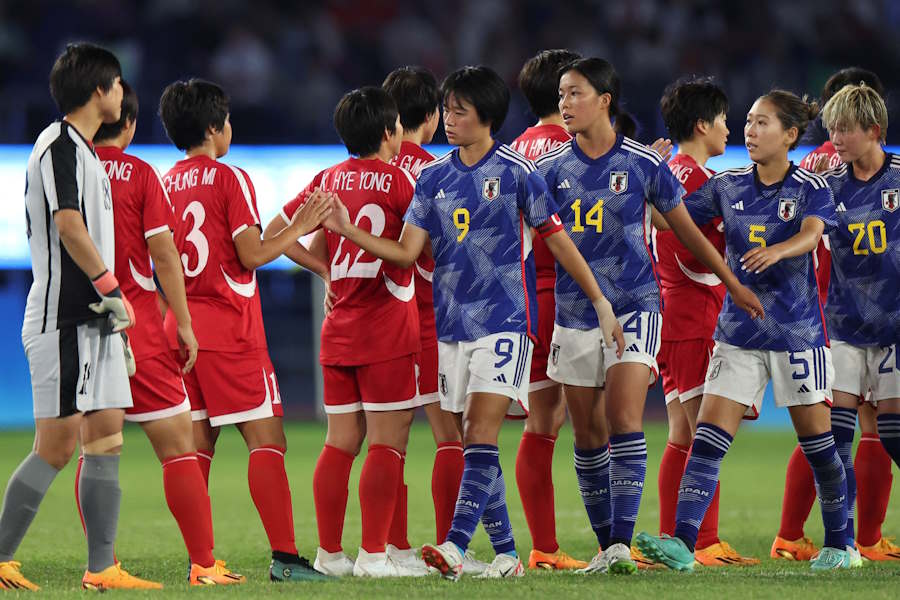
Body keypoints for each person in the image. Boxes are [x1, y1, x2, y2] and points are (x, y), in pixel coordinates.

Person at [322, 65, 625, 581]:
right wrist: (348, 231)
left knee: (482, 431)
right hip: (450, 331)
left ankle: (457, 545)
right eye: (445, 110)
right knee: (471, 438)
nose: (447, 119)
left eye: (458, 111)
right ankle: (506, 554)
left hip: (504, 324)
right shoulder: (434, 177)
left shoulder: (517, 174)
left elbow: (558, 239)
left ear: (486, 117)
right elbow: (404, 253)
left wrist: (598, 300)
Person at [537, 58, 761, 576]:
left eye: (574, 94)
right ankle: (608, 548)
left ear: (604, 100)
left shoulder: (642, 164)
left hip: (637, 306)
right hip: (574, 314)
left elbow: (687, 231)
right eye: (562, 95)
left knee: (623, 419)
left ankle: (621, 539)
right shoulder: (548, 170)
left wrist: (732, 283)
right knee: (587, 435)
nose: (565, 104)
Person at [636, 90, 852, 572]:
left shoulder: (811, 186)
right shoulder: (727, 185)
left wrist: (779, 251)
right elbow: (666, 219)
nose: (750, 131)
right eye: (748, 122)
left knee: (820, 447)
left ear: (790, 135)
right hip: (738, 334)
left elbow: (814, 232)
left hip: (797, 334)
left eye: (762, 124)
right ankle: (685, 544)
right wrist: (646, 179)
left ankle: (841, 543)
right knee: (707, 439)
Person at [158, 77, 332, 582]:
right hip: (229, 331)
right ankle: (285, 559)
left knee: (196, 447)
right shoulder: (229, 178)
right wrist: (298, 227)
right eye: (227, 120)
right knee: (266, 441)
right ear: (214, 127)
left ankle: (203, 562)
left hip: (180, 327)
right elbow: (251, 254)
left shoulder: (164, 182)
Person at [1, 42, 161, 592]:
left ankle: (101, 568)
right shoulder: (59, 145)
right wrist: (112, 288)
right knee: (57, 445)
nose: (121, 94)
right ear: (99, 89)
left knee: (106, 437)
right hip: (64, 320)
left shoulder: (87, 152)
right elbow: (68, 224)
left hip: (95, 321)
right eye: (117, 85)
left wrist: (113, 316)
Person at [85, 80, 244, 585]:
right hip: (139, 328)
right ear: (128, 123)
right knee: (178, 447)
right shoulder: (140, 174)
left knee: (96, 449)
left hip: (85, 327)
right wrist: (185, 322)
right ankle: (203, 564)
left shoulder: (72, 170)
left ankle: (101, 566)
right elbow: (163, 253)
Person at [267, 86, 426, 578]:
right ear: (387, 131)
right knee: (386, 443)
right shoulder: (402, 184)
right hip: (386, 329)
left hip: (338, 330)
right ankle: (375, 556)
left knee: (340, 441)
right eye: (397, 125)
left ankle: (330, 556)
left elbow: (275, 231)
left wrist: (325, 270)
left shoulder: (326, 180)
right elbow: (409, 254)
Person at [772, 69, 899, 562]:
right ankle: (841, 542)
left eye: (844, 129)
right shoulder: (825, 186)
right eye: (831, 129)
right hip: (843, 325)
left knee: (890, 434)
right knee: (834, 437)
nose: (835, 140)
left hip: (894, 327)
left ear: (873, 129)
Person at [381, 66, 483, 572]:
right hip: (433, 315)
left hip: (375, 317)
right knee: (451, 437)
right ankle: (451, 547)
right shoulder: (434, 168)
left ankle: (390, 546)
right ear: (429, 115)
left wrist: (334, 279)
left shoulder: (364, 163)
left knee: (386, 438)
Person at [654, 76, 757, 566]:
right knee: (705, 437)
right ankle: (704, 541)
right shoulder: (695, 181)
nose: (729, 127)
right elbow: (703, 254)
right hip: (695, 316)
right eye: (722, 119)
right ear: (701, 124)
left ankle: (670, 536)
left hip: (671, 315)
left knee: (681, 434)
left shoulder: (666, 170)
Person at [510, 48, 588, 572]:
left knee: (542, 422)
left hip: (524, 296)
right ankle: (607, 537)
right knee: (594, 422)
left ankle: (543, 544)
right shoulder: (576, 149)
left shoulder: (515, 151)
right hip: (569, 294)